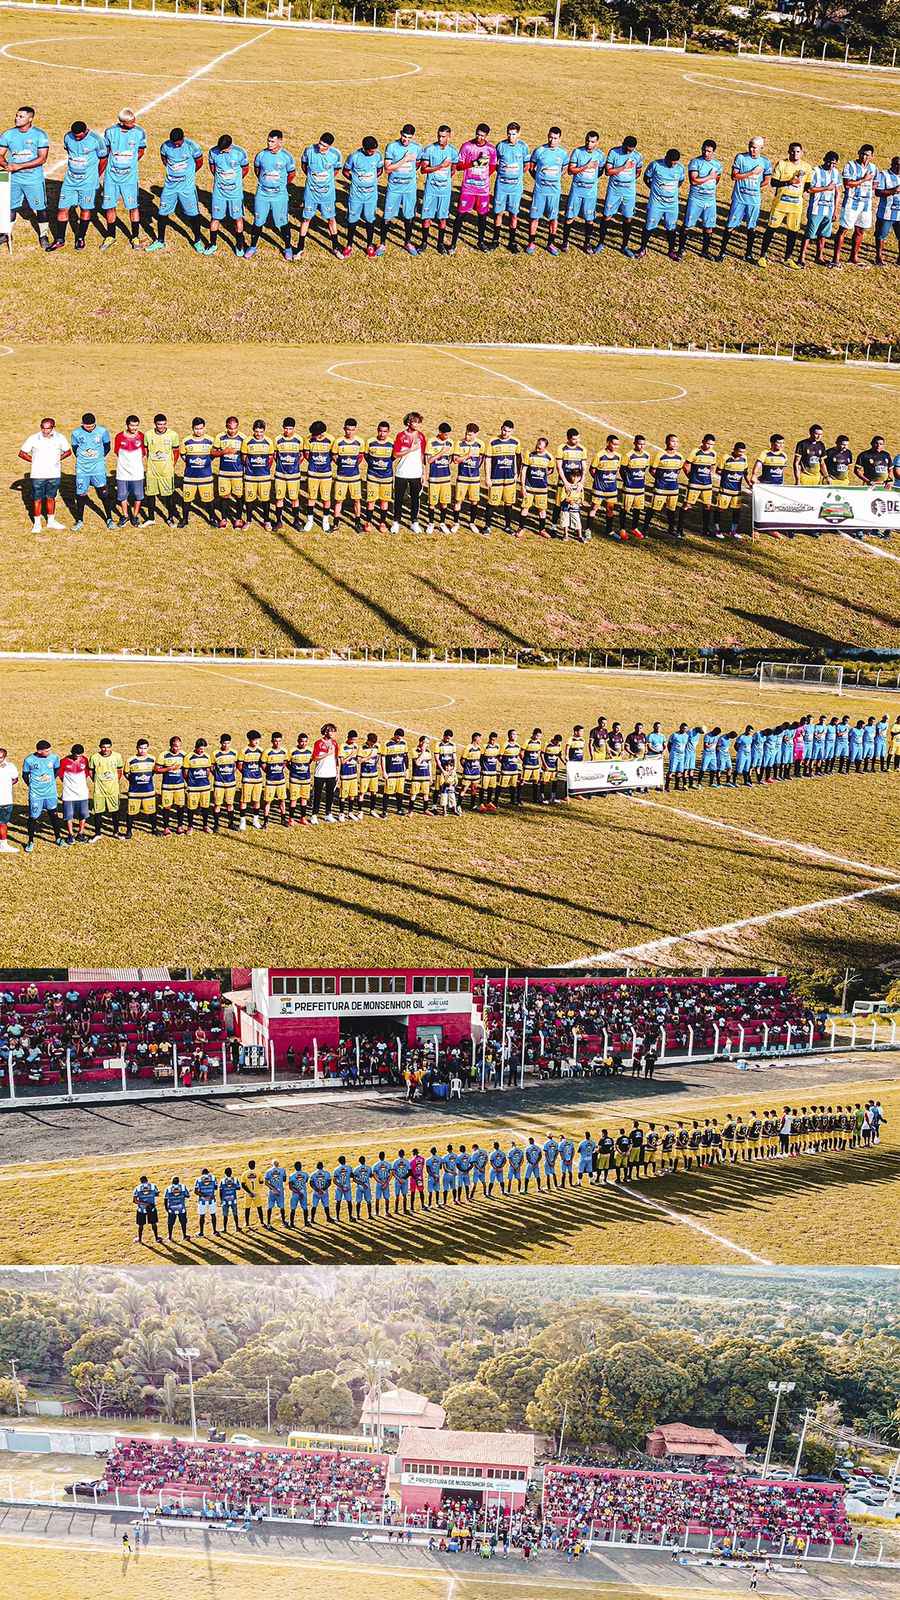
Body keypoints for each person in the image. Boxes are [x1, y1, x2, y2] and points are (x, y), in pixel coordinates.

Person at [146, 126, 205, 253]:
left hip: (186, 188)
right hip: (170, 187)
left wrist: (189, 173)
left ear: (184, 138)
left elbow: (199, 162)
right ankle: (160, 241)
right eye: (174, 144)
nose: (176, 146)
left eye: (179, 144)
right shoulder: (165, 146)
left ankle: (197, 240)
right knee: (162, 213)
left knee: (193, 214)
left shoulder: (193, 147)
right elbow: (164, 160)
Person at [0, 106, 51, 249]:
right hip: (14, 179)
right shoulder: (8, 134)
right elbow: (0, 154)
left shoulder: (40, 135)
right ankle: (6, 234)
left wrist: (19, 166)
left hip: (33, 179)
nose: (17, 118)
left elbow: (42, 158)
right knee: (10, 207)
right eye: (17, 115)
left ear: (30, 119)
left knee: (40, 208)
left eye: (21, 116)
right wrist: (6, 165)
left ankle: (43, 235)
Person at [52, 119, 107, 250]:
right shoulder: (68, 137)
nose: (77, 139)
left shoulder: (96, 140)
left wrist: (96, 175)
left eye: (79, 137)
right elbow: (69, 152)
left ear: (86, 131)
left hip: (87, 183)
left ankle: (80, 238)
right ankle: (60, 239)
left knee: (85, 209)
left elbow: (104, 158)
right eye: (75, 136)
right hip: (70, 181)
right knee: (62, 209)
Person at [718, 137, 771, 263]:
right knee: (730, 225)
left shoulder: (765, 162)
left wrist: (755, 187)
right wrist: (752, 173)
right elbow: (734, 176)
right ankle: (722, 252)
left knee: (751, 227)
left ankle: (748, 254)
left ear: (761, 148)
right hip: (739, 199)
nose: (752, 150)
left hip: (754, 201)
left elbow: (767, 181)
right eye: (750, 147)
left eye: (754, 148)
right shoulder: (741, 158)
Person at [100, 108, 147, 249]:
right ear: (122, 122)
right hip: (111, 177)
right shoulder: (110, 132)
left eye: (134, 121)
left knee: (133, 207)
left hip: (129, 178)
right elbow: (106, 152)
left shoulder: (139, 132)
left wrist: (131, 162)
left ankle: (135, 237)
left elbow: (141, 151)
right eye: (130, 122)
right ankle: (110, 236)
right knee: (110, 207)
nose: (133, 124)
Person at [759, 141, 811, 265]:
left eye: (797, 152)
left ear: (801, 153)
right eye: (792, 151)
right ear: (788, 152)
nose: (795, 154)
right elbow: (774, 183)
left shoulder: (806, 167)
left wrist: (797, 191)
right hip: (780, 204)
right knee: (771, 229)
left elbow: (807, 185)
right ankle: (762, 256)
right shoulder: (782, 164)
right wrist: (789, 183)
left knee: (793, 232)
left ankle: (788, 258)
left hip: (796, 206)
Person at [248, 129, 296, 258]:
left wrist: (280, 185)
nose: (269, 143)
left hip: (279, 195)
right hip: (262, 194)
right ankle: (252, 247)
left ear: (280, 141)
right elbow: (257, 171)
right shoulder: (261, 155)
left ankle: (288, 248)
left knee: (282, 221)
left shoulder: (286, 157)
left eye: (273, 141)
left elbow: (291, 174)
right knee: (258, 220)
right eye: (268, 141)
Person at [19, 418, 70, 533]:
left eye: (48, 428)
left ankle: (51, 521)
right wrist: (34, 461)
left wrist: (57, 460)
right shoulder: (33, 438)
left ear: (53, 427)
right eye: (43, 428)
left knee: (51, 497)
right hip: (38, 475)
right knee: (37, 499)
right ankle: (37, 524)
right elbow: (22, 453)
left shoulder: (60, 438)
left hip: (54, 474)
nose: (45, 431)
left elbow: (68, 451)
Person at [451, 123, 496, 252]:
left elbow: (492, 166)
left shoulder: (491, 149)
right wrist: (474, 163)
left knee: (482, 216)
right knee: (460, 214)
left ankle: (480, 241)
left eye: (482, 136)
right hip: (468, 188)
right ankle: (453, 242)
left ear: (487, 136)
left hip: (483, 189)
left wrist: (483, 177)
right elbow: (459, 166)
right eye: (477, 134)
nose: (479, 138)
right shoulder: (467, 146)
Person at [832, 143, 878, 269]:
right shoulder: (850, 165)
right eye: (862, 153)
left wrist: (864, 185)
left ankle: (854, 257)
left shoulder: (874, 168)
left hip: (866, 204)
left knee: (860, 230)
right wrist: (864, 180)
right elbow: (847, 184)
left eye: (867, 155)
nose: (864, 157)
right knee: (844, 229)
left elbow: (875, 183)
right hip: (851, 203)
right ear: (858, 152)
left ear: (872, 156)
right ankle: (836, 259)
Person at [298, 131, 343, 258]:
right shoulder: (309, 151)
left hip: (327, 194)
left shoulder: (335, 155)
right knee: (306, 219)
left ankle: (335, 247)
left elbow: (336, 170)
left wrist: (325, 182)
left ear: (330, 146)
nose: (320, 147)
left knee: (331, 219)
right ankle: (300, 247)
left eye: (324, 146)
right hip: (311, 193)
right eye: (320, 143)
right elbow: (304, 166)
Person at [595, 134, 642, 255]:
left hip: (629, 193)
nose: (628, 152)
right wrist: (624, 167)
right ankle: (601, 242)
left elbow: (638, 172)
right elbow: (608, 172)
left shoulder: (637, 156)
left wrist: (628, 181)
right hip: (614, 191)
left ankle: (624, 245)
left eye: (631, 150)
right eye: (627, 149)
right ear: (623, 144)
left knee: (628, 218)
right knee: (607, 216)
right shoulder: (614, 152)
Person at [380, 123, 423, 255]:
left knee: (408, 217)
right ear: (400, 133)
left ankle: (408, 242)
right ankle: (382, 243)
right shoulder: (392, 146)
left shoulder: (417, 148)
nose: (406, 140)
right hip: (394, 188)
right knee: (387, 216)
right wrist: (405, 160)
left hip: (409, 189)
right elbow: (387, 169)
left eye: (409, 138)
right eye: (404, 137)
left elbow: (417, 165)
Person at [676, 139, 722, 259]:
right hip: (696, 199)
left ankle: (705, 251)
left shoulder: (717, 164)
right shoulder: (695, 162)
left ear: (714, 152)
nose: (706, 153)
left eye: (709, 151)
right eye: (704, 150)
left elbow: (717, 180)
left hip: (710, 200)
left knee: (709, 226)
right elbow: (694, 181)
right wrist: (709, 177)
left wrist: (709, 180)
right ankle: (681, 249)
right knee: (687, 224)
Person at [526, 127, 568, 254]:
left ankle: (551, 243)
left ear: (560, 139)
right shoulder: (539, 151)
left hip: (554, 192)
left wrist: (555, 178)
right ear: (547, 136)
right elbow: (531, 167)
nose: (552, 140)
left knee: (553, 218)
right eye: (550, 137)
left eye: (555, 138)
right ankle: (531, 242)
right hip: (540, 191)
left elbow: (564, 168)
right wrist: (539, 179)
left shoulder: (563, 153)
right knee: (534, 217)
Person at [637, 148, 685, 259]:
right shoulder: (655, 165)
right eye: (671, 162)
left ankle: (671, 251)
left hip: (672, 205)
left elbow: (680, 182)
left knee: (671, 228)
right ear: (666, 158)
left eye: (675, 163)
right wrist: (654, 189)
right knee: (649, 226)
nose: (673, 165)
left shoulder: (680, 168)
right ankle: (642, 249)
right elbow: (646, 178)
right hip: (656, 203)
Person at [70, 412, 114, 530]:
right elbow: (75, 448)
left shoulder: (102, 431)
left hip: (98, 469)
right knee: (81, 494)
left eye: (92, 426)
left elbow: (107, 446)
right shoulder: (76, 433)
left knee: (104, 493)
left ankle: (109, 518)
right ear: (82, 424)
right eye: (87, 426)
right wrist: (83, 459)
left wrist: (99, 457)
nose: (90, 429)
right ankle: (79, 520)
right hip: (82, 470)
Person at [420, 125, 459, 255]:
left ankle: (440, 243)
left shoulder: (453, 152)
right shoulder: (430, 149)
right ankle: (424, 242)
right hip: (430, 190)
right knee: (427, 217)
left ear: (449, 136)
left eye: (443, 136)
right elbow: (423, 170)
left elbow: (453, 170)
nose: (440, 139)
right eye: (439, 136)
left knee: (443, 218)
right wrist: (441, 166)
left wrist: (444, 179)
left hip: (444, 191)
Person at [562, 131, 604, 253]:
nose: (589, 143)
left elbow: (600, 171)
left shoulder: (600, 155)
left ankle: (587, 243)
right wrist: (587, 166)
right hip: (577, 191)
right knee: (570, 217)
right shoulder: (577, 152)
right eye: (587, 140)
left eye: (592, 141)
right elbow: (570, 171)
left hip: (590, 193)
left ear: (597, 142)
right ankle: (565, 242)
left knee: (589, 219)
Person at [207, 133, 249, 255]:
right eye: (220, 150)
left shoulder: (240, 153)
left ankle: (239, 245)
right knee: (215, 217)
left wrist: (235, 181)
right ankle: (212, 244)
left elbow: (245, 169)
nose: (221, 152)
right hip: (219, 192)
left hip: (235, 193)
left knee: (237, 218)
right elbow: (213, 168)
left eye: (224, 150)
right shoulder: (213, 152)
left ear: (230, 146)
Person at [491, 122, 530, 252]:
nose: (511, 137)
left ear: (519, 134)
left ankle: (512, 242)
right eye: (509, 134)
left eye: (513, 134)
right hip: (501, 186)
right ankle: (495, 240)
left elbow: (526, 165)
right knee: (499, 213)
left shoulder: (523, 147)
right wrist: (503, 172)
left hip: (515, 188)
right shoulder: (501, 146)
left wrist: (516, 175)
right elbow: (494, 163)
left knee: (513, 214)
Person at [797, 151, 840, 268]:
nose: (831, 165)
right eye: (829, 162)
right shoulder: (815, 171)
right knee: (809, 234)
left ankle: (819, 256)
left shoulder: (836, 173)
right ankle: (801, 257)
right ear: (824, 159)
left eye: (834, 163)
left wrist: (835, 210)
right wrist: (826, 188)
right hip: (816, 209)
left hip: (829, 209)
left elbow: (837, 192)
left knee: (823, 234)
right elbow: (810, 189)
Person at [343, 135, 383, 257]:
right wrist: (355, 181)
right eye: (371, 151)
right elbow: (345, 171)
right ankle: (349, 245)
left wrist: (371, 180)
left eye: (375, 150)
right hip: (356, 196)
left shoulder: (378, 155)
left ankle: (369, 245)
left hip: (371, 196)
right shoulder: (354, 157)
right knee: (352, 221)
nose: (373, 153)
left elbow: (380, 170)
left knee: (370, 220)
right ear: (364, 149)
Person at [22, 739, 62, 851]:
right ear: (39, 751)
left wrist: (51, 780)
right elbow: (25, 775)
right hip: (36, 794)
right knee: (33, 817)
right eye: (47, 751)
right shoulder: (29, 760)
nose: (50, 752)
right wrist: (32, 786)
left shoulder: (54, 757)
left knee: (54, 815)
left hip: (50, 793)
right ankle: (30, 841)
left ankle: (58, 838)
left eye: (50, 750)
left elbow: (56, 770)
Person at [391, 412, 426, 532]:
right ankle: (396, 521)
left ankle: (414, 522)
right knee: (399, 499)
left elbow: (422, 455)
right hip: (402, 472)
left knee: (415, 498)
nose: (417, 424)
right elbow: (396, 454)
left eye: (418, 422)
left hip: (416, 473)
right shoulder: (401, 436)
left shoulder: (421, 436)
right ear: (408, 422)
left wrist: (424, 472)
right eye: (414, 422)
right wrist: (410, 449)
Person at [89, 738, 124, 841]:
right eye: (103, 747)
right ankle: (98, 833)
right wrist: (96, 781)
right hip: (99, 791)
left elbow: (119, 770)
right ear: (100, 747)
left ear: (111, 747)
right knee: (98, 812)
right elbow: (91, 771)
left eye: (108, 747)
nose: (106, 749)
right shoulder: (94, 757)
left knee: (115, 812)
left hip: (113, 790)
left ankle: (116, 832)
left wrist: (115, 781)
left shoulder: (117, 756)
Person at [58, 742, 91, 844]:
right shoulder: (64, 761)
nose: (78, 758)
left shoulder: (85, 760)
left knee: (83, 814)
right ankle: (70, 834)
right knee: (68, 815)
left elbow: (86, 773)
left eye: (80, 756)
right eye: (76, 756)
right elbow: (61, 775)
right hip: (68, 794)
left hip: (82, 793)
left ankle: (80, 833)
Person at [875, 154, 900, 266]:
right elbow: (878, 192)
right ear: (891, 164)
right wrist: (894, 190)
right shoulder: (884, 175)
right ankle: (879, 257)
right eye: (896, 165)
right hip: (886, 212)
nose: (899, 167)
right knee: (881, 235)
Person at [311, 723, 339, 822]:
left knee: (330, 794)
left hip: (331, 773)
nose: (333, 733)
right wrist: (327, 753)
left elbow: (336, 758)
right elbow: (315, 758)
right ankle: (314, 814)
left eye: (334, 731)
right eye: (331, 731)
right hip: (320, 773)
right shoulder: (318, 743)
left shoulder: (335, 743)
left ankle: (328, 813)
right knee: (317, 795)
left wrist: (337, 772)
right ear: (325, 732)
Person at [0, 748, 20, 853]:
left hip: (6, 801)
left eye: (0, 758)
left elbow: (15, 778)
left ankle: (3, 845)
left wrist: (7, 785)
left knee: (3, 823)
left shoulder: (11, 767)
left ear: (5, 757)